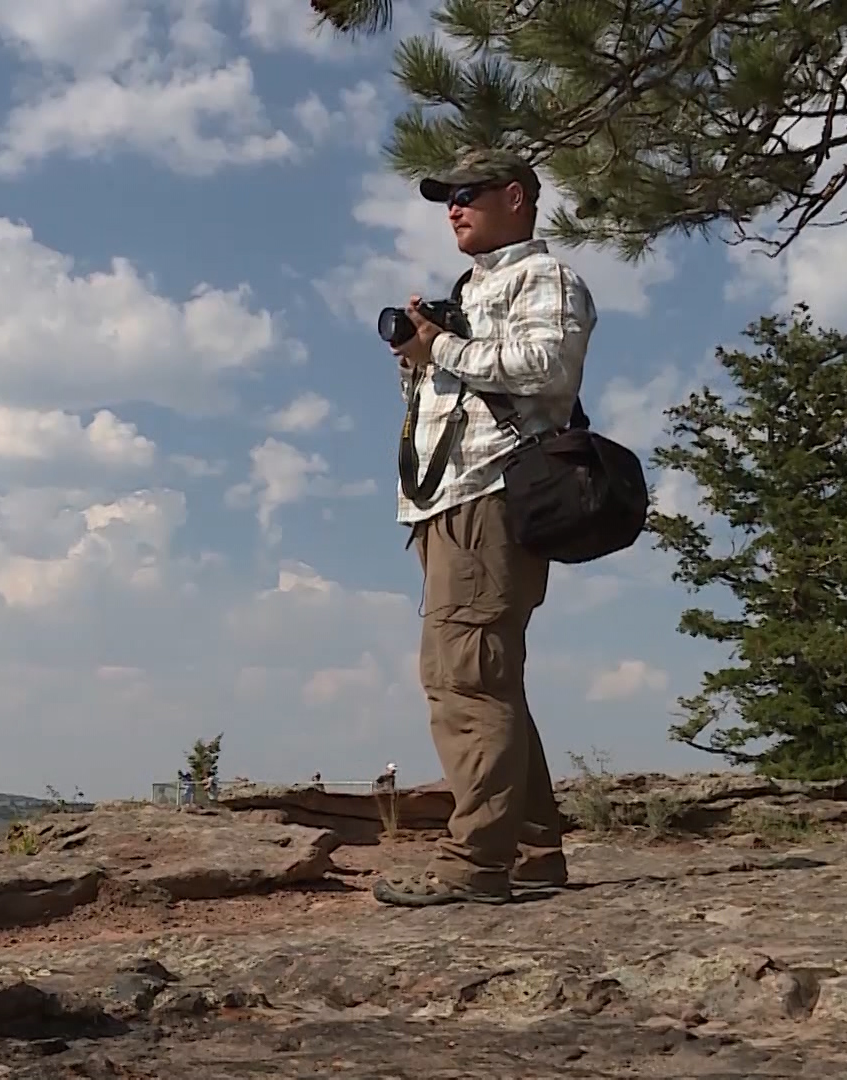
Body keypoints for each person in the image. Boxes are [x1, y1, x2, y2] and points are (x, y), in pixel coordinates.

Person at [373, 148, 597, 908]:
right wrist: (419, 355)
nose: (453, 208)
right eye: (446, 197)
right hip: (450, 500)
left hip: (491, 495)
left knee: (463, 677)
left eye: (467, 194)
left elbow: (545, 368)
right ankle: (532, 849)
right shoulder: (475, 290)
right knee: (487, 673)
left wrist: (444, 346)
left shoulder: (546, 279)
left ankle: (475, 863)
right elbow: (458, 391)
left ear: (516, 198)